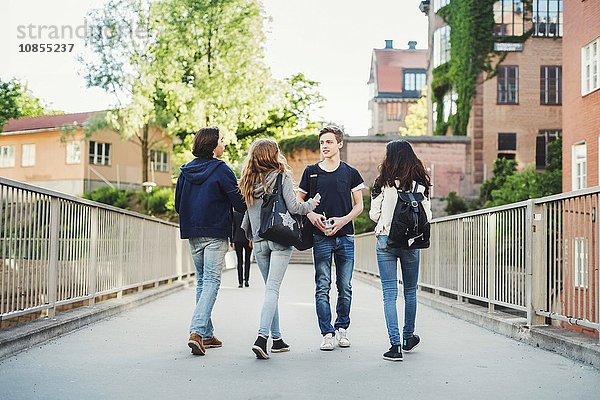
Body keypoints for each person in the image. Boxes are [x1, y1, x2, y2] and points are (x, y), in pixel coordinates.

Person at [239, 138, 319, 360]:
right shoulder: (281, 175)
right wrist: (312, 204)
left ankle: (277, 339)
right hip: (280, 238)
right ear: (272, 155)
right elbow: (294, 207)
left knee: (269, 291)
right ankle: (261, 338)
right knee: (272, 290)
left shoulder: (247, 180)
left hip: (259, 241)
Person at [175, 127, 246, 356]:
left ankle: (206, 334)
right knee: (213, 282)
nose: (224, 144)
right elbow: (239, 203)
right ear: (213, 146)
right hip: (215, 232)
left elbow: (178, 205)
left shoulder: (185, 171)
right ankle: (196, 332)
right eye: (222, 140)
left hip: (192, 233)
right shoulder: (221, 169)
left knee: (203, 282)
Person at [297, 126, 365, 351]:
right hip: (321, 238)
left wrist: (342, 221)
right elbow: (299, 203)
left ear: (339, 144)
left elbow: (359, 206)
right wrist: (312, 214)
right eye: (322, 143)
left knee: (344, 286)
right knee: (322, 286)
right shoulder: (311, 171)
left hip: (346, 237)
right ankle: (326, 333)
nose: (324, 146)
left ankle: (342, 329)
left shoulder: (350, 172)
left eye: (328, 142)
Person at [369, 139, 432, 361]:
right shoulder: (421, 184)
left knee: (389, 294)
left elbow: (373, 215)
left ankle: (394, 347)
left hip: (386, 240)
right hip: (411, 242)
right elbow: (428, 216)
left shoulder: (382, 182)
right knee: (410, 291)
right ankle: (408, 338)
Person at [232, 210, 252, 288]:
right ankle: (246, 280)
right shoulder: (249, 213)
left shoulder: (235, 214)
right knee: (247, 260)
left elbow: (233, 227)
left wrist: (231, 240)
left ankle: (240, 282)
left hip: (237, 239)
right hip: (247, 239)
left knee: (239, 261)